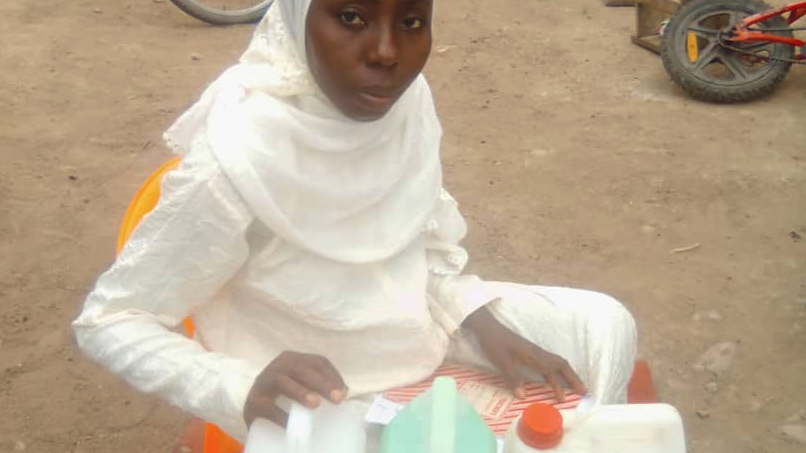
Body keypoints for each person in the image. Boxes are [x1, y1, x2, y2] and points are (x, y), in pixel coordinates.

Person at [73, 0, 637, 444]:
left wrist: (481, 324)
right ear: (297, 15)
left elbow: (423, 244)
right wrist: (235, 386)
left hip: (421, 336)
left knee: (604, 326)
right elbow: (110, 319)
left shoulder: (406, 105)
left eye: (413, 20)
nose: (389, 53)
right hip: (320, 398)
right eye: (351, 16)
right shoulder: (238, 162)